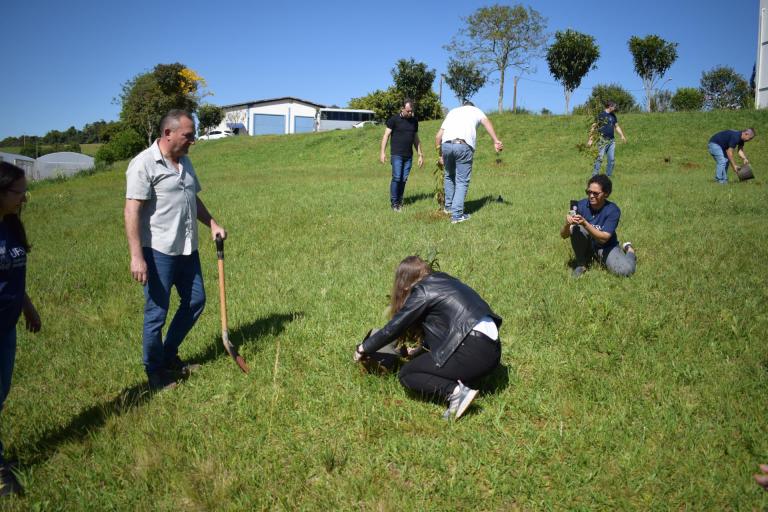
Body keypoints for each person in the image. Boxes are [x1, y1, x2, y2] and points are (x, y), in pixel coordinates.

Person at [125, 110, 227, 391]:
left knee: (195, 301)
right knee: (156, 313)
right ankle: (155, 372)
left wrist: (212, 223)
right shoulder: (143, 164)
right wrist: (137, 256)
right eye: (188, 135)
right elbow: (132, 210)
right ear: (168, 133)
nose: (192, 141)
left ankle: (168, 354)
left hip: (187, 248)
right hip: (157, 251)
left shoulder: (185, 163)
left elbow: (192, 197)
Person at [353, 256, 502, 420]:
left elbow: (394, 328)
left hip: (473, 350)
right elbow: (447, 326)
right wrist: (419, 350)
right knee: (422, 364)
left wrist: (364, 348)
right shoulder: (445, 280)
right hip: (491, 350)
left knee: (408, 374)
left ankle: (456, 393)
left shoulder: (423, 290)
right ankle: (464, 382)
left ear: (405, 284)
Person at [0, 162, 41, 496]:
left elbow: (14, 273)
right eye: (19, 192)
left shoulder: (11, 226)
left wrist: (28, 307)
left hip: (7, 327)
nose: (25, 197)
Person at [435, 101, 503, 224]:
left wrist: (440, 155)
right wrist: (495, 140)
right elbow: (486, 122)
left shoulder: (453, 111)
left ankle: (448, 208)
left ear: (463, 106)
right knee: (462, 180)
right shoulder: (475, 110)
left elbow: (438, 136)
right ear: (472, 106)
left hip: (446, 146)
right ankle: (457, 215)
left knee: (449, 176)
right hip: (462, 146)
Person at [560, 175, 636, 278]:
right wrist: (567, 224)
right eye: (589, 192)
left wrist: (585, 223)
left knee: (625, 271)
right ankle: (581, 264)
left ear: (606, 194)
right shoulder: (581, 205)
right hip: (587, 246)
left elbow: (604, 239)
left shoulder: (613, 210)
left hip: (606, 247)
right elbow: (564, 235)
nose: (591, 196)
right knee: (576, 228)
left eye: (595, 193)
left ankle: (629, 249)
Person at [379, 99, 424, 212]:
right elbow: (386, 136)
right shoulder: (394, 120)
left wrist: (420, 155)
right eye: (408, 111)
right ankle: (394, 203)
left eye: (411, 111)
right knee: (397, 177)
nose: (410, 113)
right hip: (396, 154)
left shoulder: (414, 121)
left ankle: (399, 201)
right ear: (402, 109)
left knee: (403, 179)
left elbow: (416, 139)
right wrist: (382, 152)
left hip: (408, 155)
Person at [588, 100, 627, 177]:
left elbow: (617, 126)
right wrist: (590, 139)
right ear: (610, 106)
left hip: (611, 141)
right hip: (602, 140)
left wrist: (622, 135)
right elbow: (594, 126)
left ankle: (608, 176)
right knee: (600, 158)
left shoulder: (613, 116)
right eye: (614, 106)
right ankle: (595, 175)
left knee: (611, 160)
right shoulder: (601, 115)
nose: (615, 108)